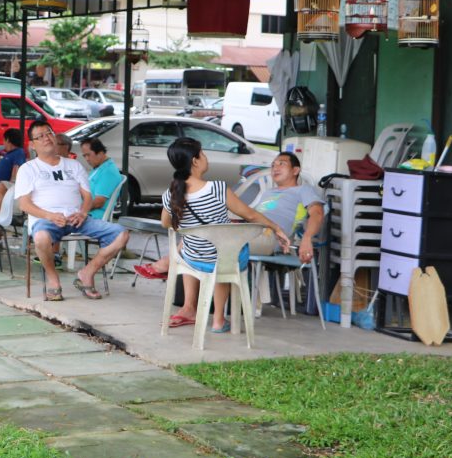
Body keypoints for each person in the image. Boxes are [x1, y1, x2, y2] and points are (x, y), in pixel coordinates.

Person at [159, 137, 290, 332]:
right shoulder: (218, 189)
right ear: (195, 161)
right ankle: (219, 319)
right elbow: (251, 215)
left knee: (192, 247)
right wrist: (277, 228)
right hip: (220, 259)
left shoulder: (171, 194)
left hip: (194, 259)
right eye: (202, 153)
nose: (205, 157)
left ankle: (190, 307)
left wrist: (191, 229)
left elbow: (165, 223)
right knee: (226, 254)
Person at [136, 151, 325, 281]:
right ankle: (186, 296)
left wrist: (307, 238)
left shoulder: (303, 190)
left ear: (295, 170)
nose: (275, 168)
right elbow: (249, 214)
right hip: (251, 232)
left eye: (281, 164)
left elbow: (317, 213)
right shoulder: (268, 193)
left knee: (208, 238)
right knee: (201, 233)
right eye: (273, 164)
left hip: (270, 238)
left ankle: (169, 264)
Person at [15, 121, 130, 301]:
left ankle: (87, 273)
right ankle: (53, 280)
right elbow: (24, 204)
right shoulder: (28, 169)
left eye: (49, 133)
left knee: (121, 234)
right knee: (40, 238)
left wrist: (83, 212)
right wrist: (49, 215)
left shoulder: (74, 165)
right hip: (47, 220)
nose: (46, 138)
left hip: (78, 218)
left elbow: (88, 196)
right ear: (32, 144)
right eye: (40, 136)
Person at [79, 138, 123, 218]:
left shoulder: (108, 172)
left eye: (88, 155)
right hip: (86, 214)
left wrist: (78, 210)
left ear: (100, 153)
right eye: (84, 156)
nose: (87, 159)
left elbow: (98, 202)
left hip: (92, 217)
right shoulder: (99, 167)